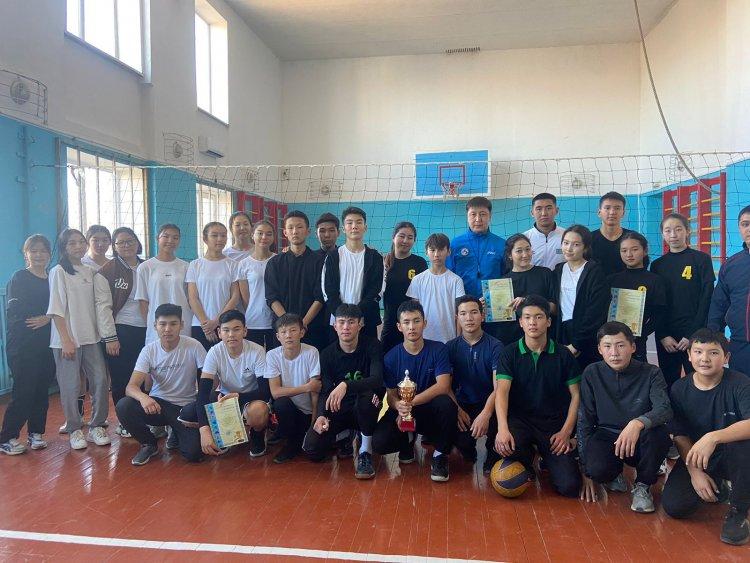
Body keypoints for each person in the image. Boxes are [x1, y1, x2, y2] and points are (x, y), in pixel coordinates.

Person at [662, 329, 750, 546]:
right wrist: (695, 472)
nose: (705, 358)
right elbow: (680, 434)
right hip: (698, 457)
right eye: (699, 351)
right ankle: (719, 484)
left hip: (734, 455)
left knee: (742, 444)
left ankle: (738, 512)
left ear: (726, 358)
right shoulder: (679, 388)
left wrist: (713, 437)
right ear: (689, 355)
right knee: (676, 506)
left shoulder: (740, 383)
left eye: (713, 352)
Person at [578, 322, 673, 513]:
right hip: (607, 434)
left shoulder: (651, 372)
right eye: (607, 346)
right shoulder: (591, 372)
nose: (614, 353)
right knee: (596, 469)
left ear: (633, 347)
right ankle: (613, 474)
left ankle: (643, 485)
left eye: (620, 345)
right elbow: (585, 419)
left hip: (641, 436)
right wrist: (585, 467)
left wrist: (638, 423)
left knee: (660, 434)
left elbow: (664, 409)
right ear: (600, 349)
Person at [494, 295, 582, 498]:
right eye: (527, 317)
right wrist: (502, 429)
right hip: (521, 421)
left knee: (569, 487)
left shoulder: (563, 354)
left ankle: (546, 457)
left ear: (548, 321)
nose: (532, 322)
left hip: (553, 425)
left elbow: (576, 396)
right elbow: (502, 392)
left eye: (538, 317)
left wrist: (566, 432)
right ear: (520, 322)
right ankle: (528, 456)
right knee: (507, 447)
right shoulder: (509, 353)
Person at [48, 229, 117, 450]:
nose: (78, 246)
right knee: (70, 385)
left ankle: (97, 425)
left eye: (80, 242)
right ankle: (74, 429)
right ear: (64, 247)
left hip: (91, 338)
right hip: (67, 340)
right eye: (72, 243)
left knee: (100, 381)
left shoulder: (91, 272)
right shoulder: (59, 271)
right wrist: (66, 340)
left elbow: (100, 306)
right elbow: (56, 310)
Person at [373, 300, 457, 482]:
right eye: (406, 322)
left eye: (416, 321)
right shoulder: (391, 357)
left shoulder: (439, 349)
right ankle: (407, 439)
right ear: (399, 326)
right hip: (404, 411)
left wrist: (410, 403)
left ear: (424, 323)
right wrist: (399, 406)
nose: (412, 327)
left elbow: (443, 385)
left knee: (446, 404)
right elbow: (391, 395)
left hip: (429, 410)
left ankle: (440, 456)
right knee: (379, 443)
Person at [115, 303, 205, 465]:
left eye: (173, 324)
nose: (167, 329)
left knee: (194, 454)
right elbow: (131, 387)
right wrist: (144, 398)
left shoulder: (194, 346)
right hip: (157, 406)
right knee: (124, 406)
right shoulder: (149, 350)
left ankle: (175, 431)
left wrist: (200, 408)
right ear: (155, 326)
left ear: (181, 325)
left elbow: (208, 379)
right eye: (162, 324)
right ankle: (149, 444)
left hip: (184, 408)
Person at [304, 304, 384, 479]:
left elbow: (377, 379)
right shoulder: (327, 354)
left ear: (360, 325)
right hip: (339, 408)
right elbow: (325, 390)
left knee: (367, 397)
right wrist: (321, 415)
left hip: (366, 407)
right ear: (335, 326)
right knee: (312, 449)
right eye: (341, 322)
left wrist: (346, 385)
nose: (346, 327)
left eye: (351, 322)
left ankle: (365, 451)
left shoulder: (373, 346)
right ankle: (344, 435)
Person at [178, 310, 270, 458]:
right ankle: (222, 432)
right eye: (226, 330)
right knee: (188, 414)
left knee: (258, 411)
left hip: (250, 399)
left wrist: (239, 397)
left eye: (236, 329)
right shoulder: (214, 352)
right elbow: (203, 392)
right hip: (224, 400)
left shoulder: (257, 351)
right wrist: (204, 430)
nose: (231, 334)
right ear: (219, 333)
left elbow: (265, 391)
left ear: (245, 331)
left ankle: (257, 434)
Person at [0, 235, 55, 455]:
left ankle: (36, 433)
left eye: (43, 250)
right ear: (26, 254)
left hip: (47, 345)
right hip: (23, 346)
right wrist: (41, 318)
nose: (39, 255)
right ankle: (7, 437)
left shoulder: (52, 278)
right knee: (24, 391)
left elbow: (58, 309)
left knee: (42, 390)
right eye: (34, 251)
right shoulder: (19, 278)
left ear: (50, 254)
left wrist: (47, 318)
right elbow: (16, 312)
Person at [651, 213, 715, 387]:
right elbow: (656, 304)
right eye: (668, 230)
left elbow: (707, 298)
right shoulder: (657, 265)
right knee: (668, 383)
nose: (673, 234)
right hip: (667, 338)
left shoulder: (701, 259)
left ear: (688, 231)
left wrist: (693, 334)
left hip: (694, 333)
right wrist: (663, 335)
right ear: (663, 234)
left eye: (678, 229)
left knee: (699, 382)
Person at [97, 227, 147, 438]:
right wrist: (110, 337)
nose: (126, 245)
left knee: (145, 376)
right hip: (121, 330)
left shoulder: (147, 265)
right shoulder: (107, 271)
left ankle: (147, 417)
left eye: (130, 241)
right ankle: (125, 421)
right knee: (121, 378)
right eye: (121, 242)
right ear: (114, 247)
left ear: (137, 242)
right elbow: (103, 307)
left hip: (148, 329)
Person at [446, 296, 503, 474]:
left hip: (490, 403)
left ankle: (493, 455)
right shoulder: (450, 347)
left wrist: (486, 413)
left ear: (482, 316)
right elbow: (445, 386)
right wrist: (457, 409)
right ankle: (467, 448)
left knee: (501, 410)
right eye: (463, 313)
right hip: (463, 404)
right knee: (464, 445)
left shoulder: (496, 346)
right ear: (457, 318)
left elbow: (499, 387)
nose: (469, 318)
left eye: (474, 312)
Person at [264, 211, 328, 351]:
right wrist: (289, 325)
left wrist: (302, 325)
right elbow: (271, 297)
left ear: (308, 231)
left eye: (299, 227)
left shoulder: (320, 262)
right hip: (283, 329)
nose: (295, 231)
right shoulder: (274, 263)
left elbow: (320, 297)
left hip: (312, 327)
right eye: (291, 227)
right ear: (285, 232)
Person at [264, 313, 321, 464]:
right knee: (281, 403)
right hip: (287, 410)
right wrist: (306, 387)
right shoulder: (272, 355)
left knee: (316, 453)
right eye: (283, 332)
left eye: (293, 330)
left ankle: (301, 436)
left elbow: (315, 391)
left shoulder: (312, 352)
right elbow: (276, 392)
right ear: (278, 336)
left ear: (302, 332)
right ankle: (290, 444)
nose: (288, 335)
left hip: (307, 412)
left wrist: (314, 420)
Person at [554, 225, 610, 368]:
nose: (569, 248)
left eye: (576, 244)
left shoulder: (594, 272)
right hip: (562, 333)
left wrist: (577, 344)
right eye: (566, 243)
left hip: (586, 335)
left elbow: (596, 312)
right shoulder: (558, 270)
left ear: (585, 247)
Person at [323, 207, 384, 338]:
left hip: (366, 320)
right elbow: (328, 291)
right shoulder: (333, 256)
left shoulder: (375, 257)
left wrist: (358, 314)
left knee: (368, 351)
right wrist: (343, 316)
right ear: (343, 229)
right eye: (349, 223)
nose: (354, 226)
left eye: (359, 222)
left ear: (365, 227)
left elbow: (377, 290)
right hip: (339, 321)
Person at [607, 232, 667, 362]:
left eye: (634, 249)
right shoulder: (612, 280)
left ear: (645, 251)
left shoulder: (654, 280)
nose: (629, 254)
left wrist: (642, 332)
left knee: (638, 371)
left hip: (637, 341)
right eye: (624, 250)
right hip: (612, 339)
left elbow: (659, 313)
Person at [707, 205, 750, 376]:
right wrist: (714, 334)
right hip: (741, 346)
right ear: (739, 228)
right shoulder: (731, 266)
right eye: (745, 224)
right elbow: (719, 304)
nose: (749, 228)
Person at [135, 223, 192, 345]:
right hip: (157, 327)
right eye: (166, 236)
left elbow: (190, 298)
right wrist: (152, 324)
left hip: (182, 323)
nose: (170, 241)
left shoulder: (186, 267)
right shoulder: (145, 267)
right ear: (157, 238)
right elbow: (143, 301)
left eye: (175, 237)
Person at [186, 222, 240, 351]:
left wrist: (217, 322)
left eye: (223, 235)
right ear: (205, 239)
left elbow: (235, 296)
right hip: (200, 325)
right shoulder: (195, 265)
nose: (220, 239)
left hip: (226, 325)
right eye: (214, 235)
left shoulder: (233, 265)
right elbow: (193, 298)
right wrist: (206, 325)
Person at [496, 233, 557, 345]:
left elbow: (554, 308)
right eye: (519, 251)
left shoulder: (545, 273)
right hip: (513, 339)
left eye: (528, 249)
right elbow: (500, 316)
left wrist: (527, 301)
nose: (525, 254)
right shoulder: (501, 283)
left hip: (544, 338)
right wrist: (487, 306)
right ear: (510, 255)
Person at [406, 233, 465, 343]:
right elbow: (414, 312)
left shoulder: (456, 280)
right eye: (432, 250)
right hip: (424, 339)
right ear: (426, 252)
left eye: (441, 250)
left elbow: (460, 313)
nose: (437, 254)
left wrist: (458, 340)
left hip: (449, 339)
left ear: (448, 252)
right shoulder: (417, 280)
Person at [381, 222, 428, 353]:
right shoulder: (384, 262)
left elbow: (423, 294)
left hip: (412, 322)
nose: (405, 241)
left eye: (410, 237)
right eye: (401, 236)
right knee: (386, 357)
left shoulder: (419, 263)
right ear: (393, 237)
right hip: (391, 320)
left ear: (414, 240)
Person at [447, 196, 506, 300]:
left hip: (493, 301)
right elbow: (448, 274)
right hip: (463, 303)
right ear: (467, 216)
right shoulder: (455, 244)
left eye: (483, 214)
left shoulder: (501, 244)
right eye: (473, 214)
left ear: (490, 216)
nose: (478, 219)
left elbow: (507, 275)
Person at [238, 220, 276, 349]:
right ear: (252, 235)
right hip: (253, 321)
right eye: (260, 233)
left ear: (273, 237)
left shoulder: (278, 260)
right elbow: (245, 299)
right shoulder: (243, 264)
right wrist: (256, 309)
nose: (264, 237)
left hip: (275, 321)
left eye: (269, 234)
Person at [591, 191, 633, 277]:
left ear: (623, 213)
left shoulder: (633, 239)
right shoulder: (588, 239)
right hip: (596, 285)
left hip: (627, 284)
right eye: (607, 208)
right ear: (599, 212)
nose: (612, 212)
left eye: (617, 208)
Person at [523, 193, 565, 270]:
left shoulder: (566, 236)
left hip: (561, 278)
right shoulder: (524, 238)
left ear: (556, 211)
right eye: (539, 209)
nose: (544, 213)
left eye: (548, 208)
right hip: (533, 278)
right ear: (532, 213)